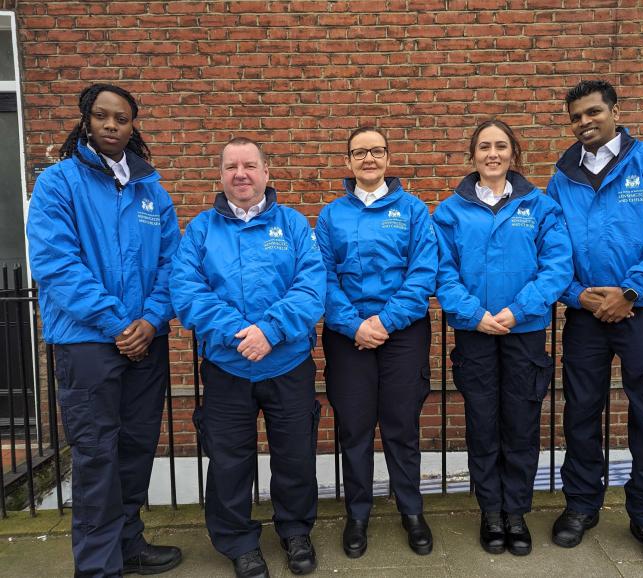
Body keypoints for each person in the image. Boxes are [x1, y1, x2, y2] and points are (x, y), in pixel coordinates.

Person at [26, 83, 182, 577]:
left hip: (146, 342)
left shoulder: (151, 190)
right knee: (97, 455)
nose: (111, 125)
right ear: (85, 121)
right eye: (101, 116)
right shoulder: (58, 184)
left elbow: (172, 266)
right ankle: (97, 566)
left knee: (136, 448)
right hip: (88, 343)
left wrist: (152, 319)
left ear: (134, 125)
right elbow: (55, 263)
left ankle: (128, 542)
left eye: (121, 118)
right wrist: (120, 323)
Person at [546, 79, 643, 572]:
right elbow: (552, 245)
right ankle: (581, 505)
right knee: (581, 413)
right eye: (575, 117)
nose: (584, 123)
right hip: (587, 314)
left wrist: (630, 290)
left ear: (614, 110)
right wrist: (577, 295)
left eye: (593, 112)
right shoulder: (562, 174)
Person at [171, 137, 325, 578]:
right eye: (231, 166)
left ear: (266, 173)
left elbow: (312, 288)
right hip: (226, 367)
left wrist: (270, 331)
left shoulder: (294, 226)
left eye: (250, 165)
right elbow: (186, 291)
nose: (241, 174)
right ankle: (239, 543)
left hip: (288, 363)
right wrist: (242, 335)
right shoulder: (201, 230)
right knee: (228, 461)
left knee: (295, 457)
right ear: (220, 175)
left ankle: (295, 532)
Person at [433, 120, 573, 556]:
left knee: (521, 426)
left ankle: (516, 513)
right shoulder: (450, 211)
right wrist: (475, 314)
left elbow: (557, 268)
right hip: (475, 335)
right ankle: (491, 513)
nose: (492, 154)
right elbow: (442, 270)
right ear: (472, 155)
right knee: (482, 425)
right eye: (483, 147)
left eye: (501, 146)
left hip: (523, 333)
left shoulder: (541, 206)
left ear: (514, 153)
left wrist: (516, 311)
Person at [314, 126, 438, 558]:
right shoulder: (330, 216)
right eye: (359, 152)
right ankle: (358, 514)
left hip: (402, 334)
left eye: (377, 151)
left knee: (402, 427)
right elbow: (324, 278)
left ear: (388, 158)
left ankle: (412, 511)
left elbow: (423, 273)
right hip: (349, 338)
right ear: (347, 162)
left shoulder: (413, 210)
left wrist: (383, 322)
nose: (369, 158)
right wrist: (354, 325)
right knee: (355, 429)